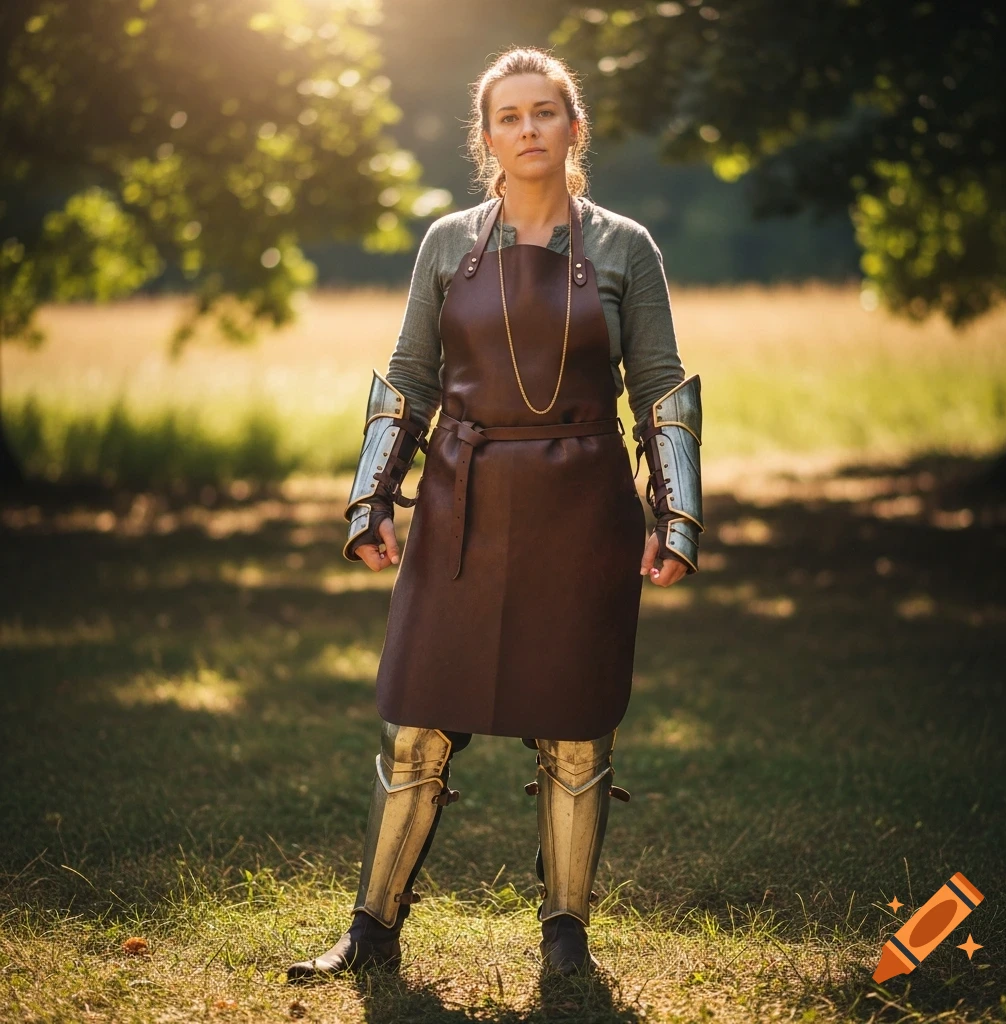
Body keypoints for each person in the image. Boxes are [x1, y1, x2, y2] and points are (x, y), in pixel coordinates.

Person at [287, 46, 703, 981]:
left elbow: (662, 388)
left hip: (583, 507)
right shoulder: (446, 243)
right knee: (417, 723)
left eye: (544, 112)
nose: (528, 130)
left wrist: (676, 521)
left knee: (575, 722)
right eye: (509, 117)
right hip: (461, 503)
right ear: (487, 138)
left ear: (573, 126)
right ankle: (372, 929)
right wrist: (370, 501)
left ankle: (566, 940)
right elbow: (409, 381)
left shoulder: (627, 247)